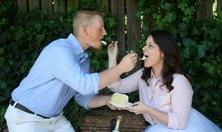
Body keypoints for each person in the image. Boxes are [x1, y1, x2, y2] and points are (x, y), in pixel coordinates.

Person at [4, 10, 138, 132]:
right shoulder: (60, 50)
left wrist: (108, 99)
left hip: (55, 120)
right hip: (26, 119)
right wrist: (120, 68)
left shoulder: (83, 58)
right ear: (86, 30)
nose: (105, 33)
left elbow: (82, 97)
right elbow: (84, 85)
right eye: (100, 28)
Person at [107, 30, 222, 132]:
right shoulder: (143, 75)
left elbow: (179, 123)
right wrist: (112, 57)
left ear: (163, 52)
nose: (143, 48)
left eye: (150, 46)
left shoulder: (179, 82)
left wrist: (147, 109)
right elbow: (116, 86)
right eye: (145, 45)